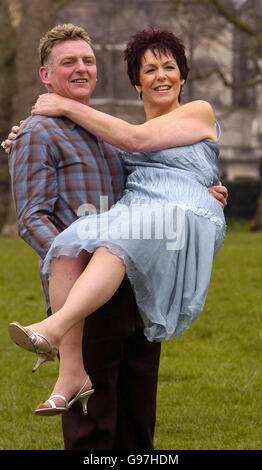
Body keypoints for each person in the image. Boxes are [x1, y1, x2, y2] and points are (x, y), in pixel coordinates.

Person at [7, 26, 227, 431]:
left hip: (141, 274)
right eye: (68, 62)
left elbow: (146, 154)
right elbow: (32, 217)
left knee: (137, 411)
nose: (81, 69)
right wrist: (23, 135)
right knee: (95, 423)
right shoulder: (56, 132)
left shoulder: (125, 133)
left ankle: (58, 339)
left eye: (87, 61)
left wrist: (202, 191)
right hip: (92, 283)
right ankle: (67, 365)